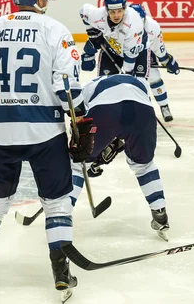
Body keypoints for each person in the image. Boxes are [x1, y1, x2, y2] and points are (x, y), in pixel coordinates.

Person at [0, 0, 95, 302]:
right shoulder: (55, 30)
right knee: (58, 201)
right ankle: (61, 274)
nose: (48, 0)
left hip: (1, 133)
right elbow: (70, 89)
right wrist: (80, 126)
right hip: (44, 131)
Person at [69, 74, 170, 241]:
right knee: (144, 166)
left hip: (105, 110)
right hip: (143, 110)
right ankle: (160, 213)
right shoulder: (138, 82)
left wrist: (90, 159)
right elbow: (127, 121)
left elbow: (80, 119)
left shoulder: (91, 85)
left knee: (78, 165)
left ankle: (62, 214)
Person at [130, 4, 180, 122]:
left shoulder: (152, 27)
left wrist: (166, 61)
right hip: (124, 53)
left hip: (145, 50)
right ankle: (136, 109)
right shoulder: (123, 26)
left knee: (154, 76)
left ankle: (164, 106)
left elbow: (158, 47)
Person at [79, 0, 146, 79]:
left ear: (124, 9)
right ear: (106, 10)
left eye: (119, 11)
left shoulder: (133, 24)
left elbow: (130, 57)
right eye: (112, 12)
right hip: (111, 48)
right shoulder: (98, 15)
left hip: (137, 52)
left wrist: (128, 73)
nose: (116, 15)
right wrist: (93, 35)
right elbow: (83, 11)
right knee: (105, 83)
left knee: (135, 85)